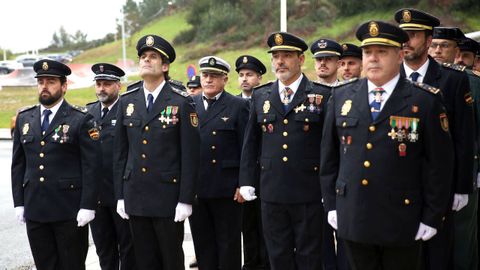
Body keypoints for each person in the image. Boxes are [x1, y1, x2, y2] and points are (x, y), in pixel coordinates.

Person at [320, 20, 455, 270]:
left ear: (400, 55)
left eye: (381, 52)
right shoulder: (341, 97)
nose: (373, 59)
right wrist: (331, 204)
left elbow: (439, 166)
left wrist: (432, 216)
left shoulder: (424, 101)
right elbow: (329, 157)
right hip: (353, 215)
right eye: (368, 52)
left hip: (402, 219)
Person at [239, 32, 330, 270]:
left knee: (310, 256)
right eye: (276, 56)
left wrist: (328, 188)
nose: (279, 61)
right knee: (277, 255)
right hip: (272, 191)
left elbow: (330, 146)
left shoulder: (321, 95)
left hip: (309, 191)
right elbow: (251, 143)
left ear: (301, 59)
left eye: (286, 56)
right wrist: (247, 180)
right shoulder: (261, 95)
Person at [394, 10, 475, 269]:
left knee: (438, 257)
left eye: (413, 35)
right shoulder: (387, 79)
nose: (406, 41)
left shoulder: (453, 80)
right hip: (398, 188)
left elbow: (464, 137)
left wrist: (462, 186)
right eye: (402, 35)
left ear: (429, 41)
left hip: (439, 188)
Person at [113, 34, 200, 270]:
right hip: (136, 195)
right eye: (143, 56)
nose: (146, 60)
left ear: (165, 66)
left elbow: (190, 155)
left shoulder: (181, 101)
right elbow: (121, 153)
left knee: (170, 259)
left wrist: (185, 199)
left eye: (153, 57)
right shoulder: (127, 101)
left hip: (167, 197)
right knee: (144, 260)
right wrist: (120, 194)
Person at [11, 59, 100, 270]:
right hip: (35, 211)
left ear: (64, 86)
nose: (44, 86)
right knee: (44, 265)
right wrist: (19, 202)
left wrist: (88, 205)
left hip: (68, 211)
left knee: (71, 265)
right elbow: (18, 165)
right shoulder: (25, 118)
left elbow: (92, 166)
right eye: (40, 81)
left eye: (51, 81)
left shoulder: (81, 120)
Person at [189, 55, 249, 270]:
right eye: (205, 75)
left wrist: (244, 183)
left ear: (224, 79)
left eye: (214, 76)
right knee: (203, 245)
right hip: (197, 187)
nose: (208, 80)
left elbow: (246, 148)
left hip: (227, 188)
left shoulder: (238, 105)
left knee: (228, 245)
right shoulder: (190, 104)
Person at [86, 63, 136, 270]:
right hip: (97, 195)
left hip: (121, 194)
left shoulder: (129, 111)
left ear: (118, 86)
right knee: (103, 248)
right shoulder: (88, 113)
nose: (101, 89)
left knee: (128, 247)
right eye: (98, 84)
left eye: (107, 84)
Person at [234, 54, 270, 270]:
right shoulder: (233, 104)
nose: (245, 79)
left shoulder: (265, 100)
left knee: (265, 226)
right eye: (241, 75)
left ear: (259, 78)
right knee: (246, 226)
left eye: (250, 75)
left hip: (264, 172)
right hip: (243, 175)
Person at [453, 36, 480, 270]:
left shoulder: (475, 84)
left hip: (469, 171)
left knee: (464, 237)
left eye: (466, 57)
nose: (460, 60)